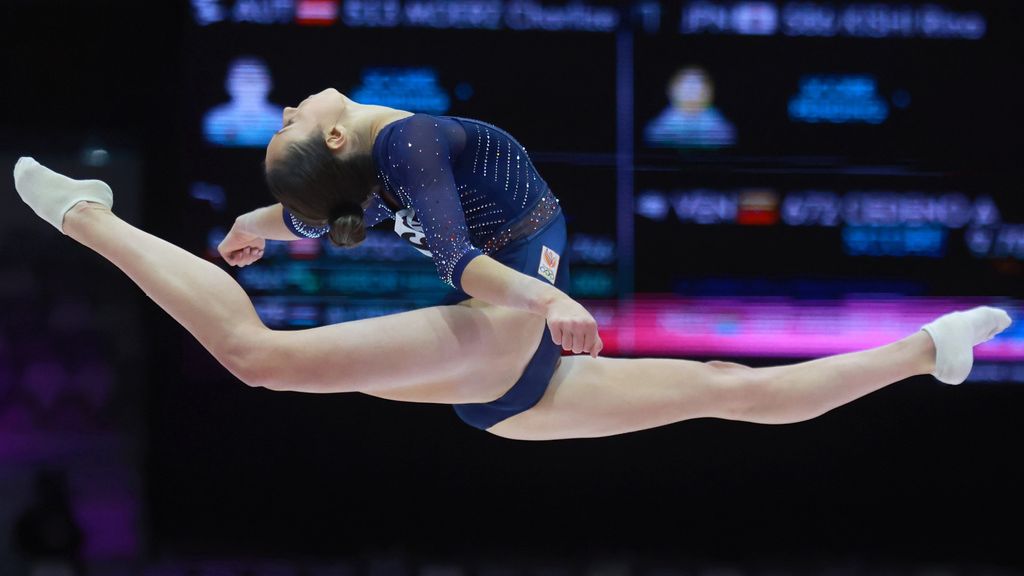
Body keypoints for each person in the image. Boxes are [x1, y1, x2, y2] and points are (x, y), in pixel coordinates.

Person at [11, 88, 1013, 440]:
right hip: (505, 349)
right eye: (289, 125)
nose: (288, 108)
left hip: (509, 368)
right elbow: (452, 257)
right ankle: (90, 217)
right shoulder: (400, 148)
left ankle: (927, 351)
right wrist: (547, 293)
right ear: (332, 137)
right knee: (256, 353)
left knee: (726, 390)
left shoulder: (396, 158)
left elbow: (347, 218)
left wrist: (263, 221)